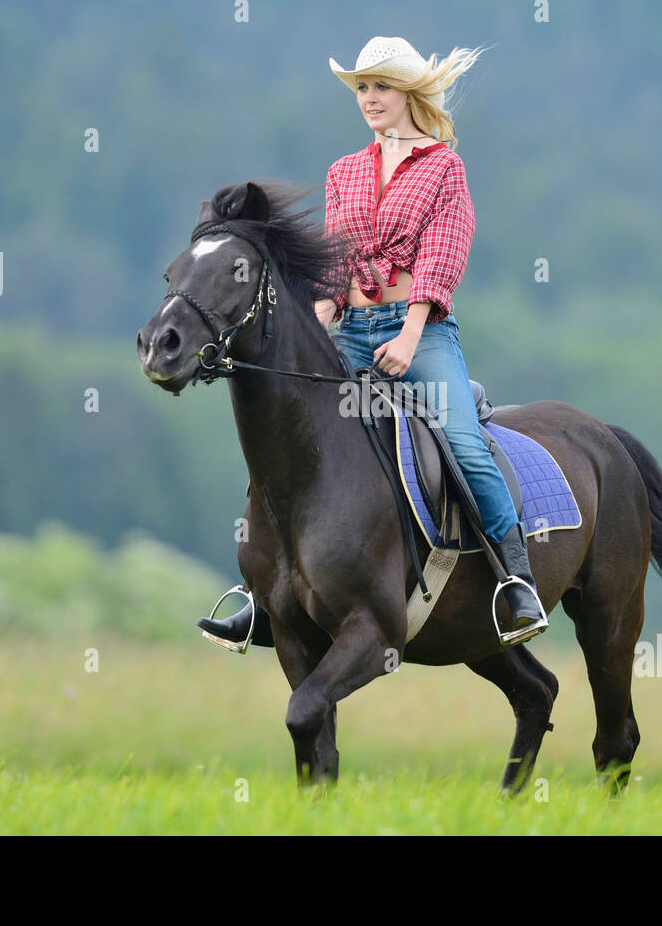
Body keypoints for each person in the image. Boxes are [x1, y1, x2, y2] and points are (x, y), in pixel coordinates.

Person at [199, 36, 546, 649]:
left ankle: (513, 580)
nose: (369, 98)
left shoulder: (444, 167)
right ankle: (260, 592)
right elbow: (336, 258)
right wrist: (324, 309)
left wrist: (411, 334)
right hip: (353, 334)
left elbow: (444, 253)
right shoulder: (346, 171)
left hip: (421, 332)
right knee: (293, 435)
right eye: (362, 87)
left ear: (408, 91)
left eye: (380, 86)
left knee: (463, 441)